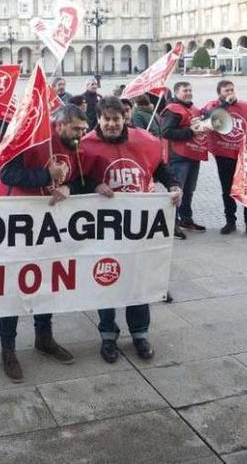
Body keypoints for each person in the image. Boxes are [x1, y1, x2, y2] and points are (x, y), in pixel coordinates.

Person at [0, 105, 87, 381]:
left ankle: (44, 337)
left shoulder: (75, 145)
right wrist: (46, 176)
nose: (81, 134)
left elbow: (81, 178)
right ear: (59, 126)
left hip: (49, 225)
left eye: (83, 129)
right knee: (14, 287)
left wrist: (68, 187)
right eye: (76, 128)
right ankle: (8, 348)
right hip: (17, 223)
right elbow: (6, 173)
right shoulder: (32, 137)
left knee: (46, 282)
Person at [79, 96, 182, 363]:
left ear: (125, 117)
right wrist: (93, 185)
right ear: (98, 119)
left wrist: (173, 185)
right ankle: (108, 335)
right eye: (106, 119)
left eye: (116, 119)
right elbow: (76, 178)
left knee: (138, 281)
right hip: (103, 229)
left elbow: (159, 168)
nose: (111, 124)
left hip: (138, 227)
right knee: (105, 278)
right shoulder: (86, 145)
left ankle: (140, 334)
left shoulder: (144, 140)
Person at [202, 80, 247, 240]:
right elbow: (208, 119)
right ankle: (230, 221)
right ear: (219, 93)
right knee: (227, 191)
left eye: (231, 90)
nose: (230, 93)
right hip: (224, 155)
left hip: (243, 157)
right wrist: (225, 105)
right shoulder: (213, 106)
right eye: (226, 91)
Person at [161, 82, 209, 239]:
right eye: (185, 90)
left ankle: (186, 219)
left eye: (190, 90)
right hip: (178, 157)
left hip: (193, 155)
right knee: (176, 192)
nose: (188, 92)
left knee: (189, 191)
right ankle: (172, 223)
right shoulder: (172, 109)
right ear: (176, 93)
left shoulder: (193, 109)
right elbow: (166, 132)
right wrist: (190, 131)